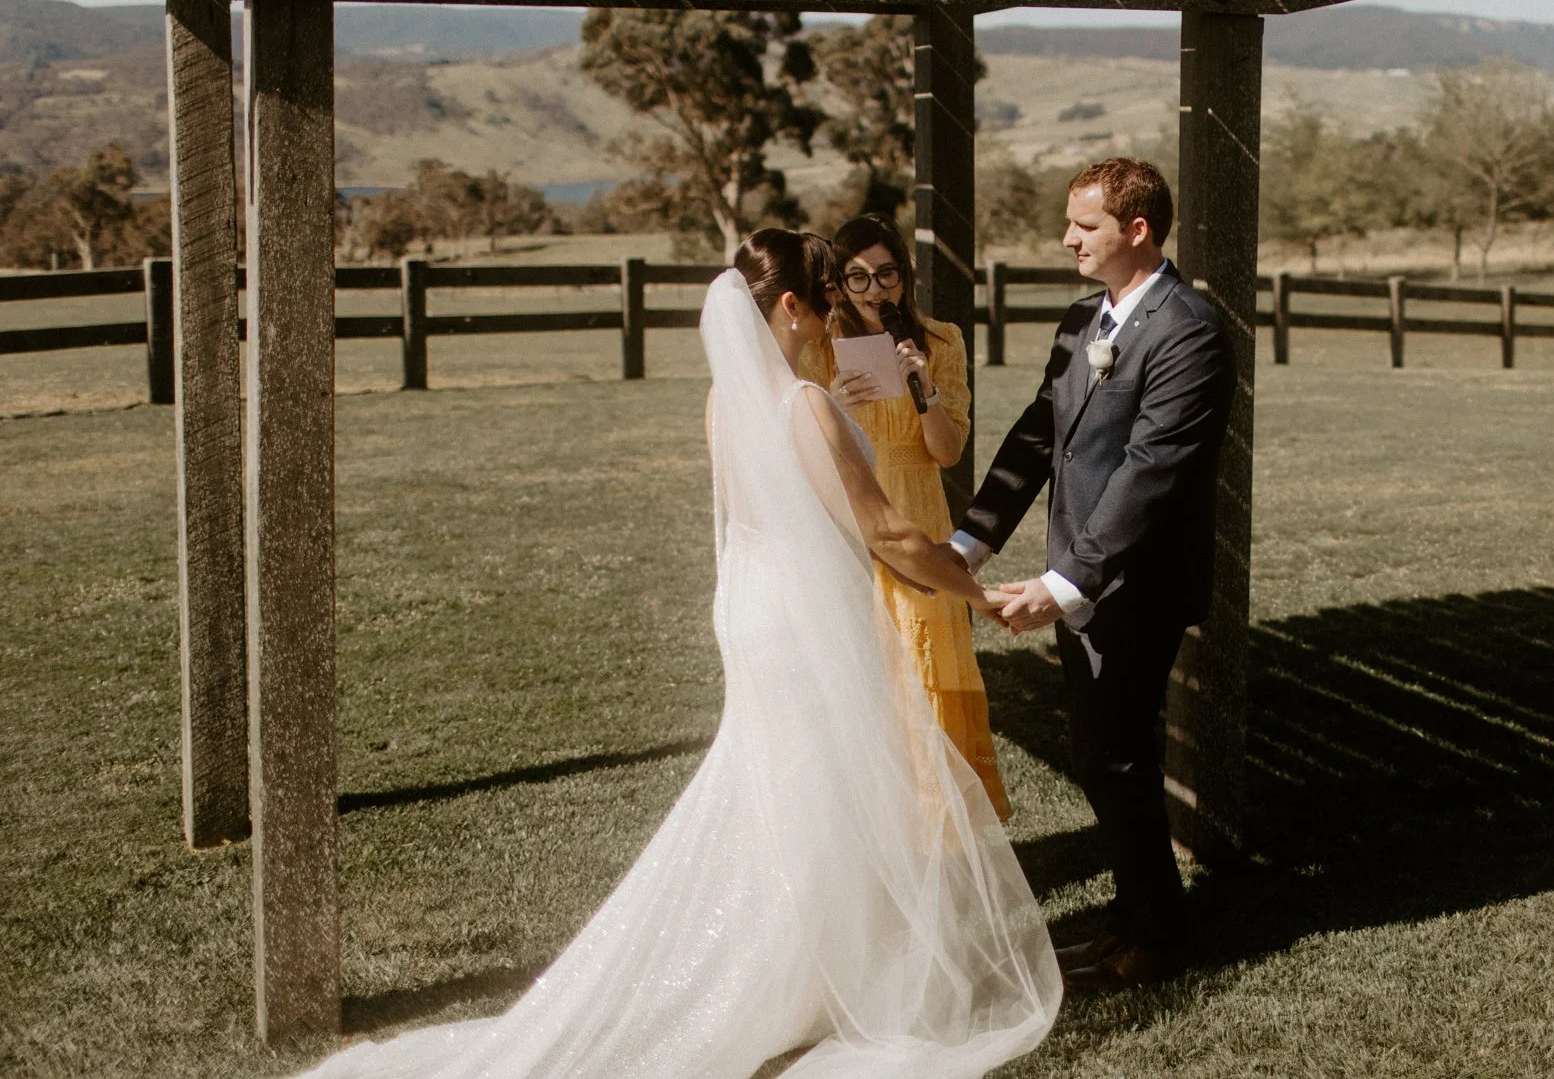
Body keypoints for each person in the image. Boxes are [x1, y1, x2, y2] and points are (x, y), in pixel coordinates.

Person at [297, 229, 1059, 1079]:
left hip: (756, 607)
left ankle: (812, 969)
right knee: (821, 782)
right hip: (806, 615)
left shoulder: (725, 400)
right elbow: (883, 530)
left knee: (795, 788)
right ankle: (801, 974)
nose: (838, 308)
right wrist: (977, 591)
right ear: (791, 308)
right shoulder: (803, 405)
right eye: (825, 293)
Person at [950, 158, 1234, 994]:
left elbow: (1152, 469)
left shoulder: (1189, 329)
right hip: (1084, 576)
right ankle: (1132, 918)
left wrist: (1066, 581)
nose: (1067, 238)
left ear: (1135, 230)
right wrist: (969, 542)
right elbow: (1041, 434)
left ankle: (1157, 934)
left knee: (1114, 756)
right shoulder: (1085, 319)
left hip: (1135, 583)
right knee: (1102, 754)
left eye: (1084, 224)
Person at [801, 214, 1011, 820]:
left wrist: (926, 390)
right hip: (850, 524)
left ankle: (939, 830)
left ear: (905, 275)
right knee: (863, 674)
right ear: (839, 284)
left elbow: (947, 453)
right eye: (857, 278)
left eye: (885, 273)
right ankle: (873, 825)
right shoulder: (822, 348)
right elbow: (799, 443)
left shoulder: (941, 341)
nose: (874, 291)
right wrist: (831, 406)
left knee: (925, 673)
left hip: (918, 517)